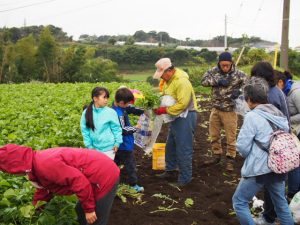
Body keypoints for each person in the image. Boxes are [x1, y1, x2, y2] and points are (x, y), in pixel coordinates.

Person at [0, 144, 120, 225]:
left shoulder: (44, 164)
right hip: (92, 174)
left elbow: (79, 182)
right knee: (80, 211)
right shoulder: (34, 165)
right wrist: (36, 210)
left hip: (104, 175)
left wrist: (89, 209)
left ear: (15, 166)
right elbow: (43, 190)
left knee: (95, 218)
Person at [232, 77, 294, 225]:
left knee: (239, 202)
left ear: (250, 99)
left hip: (260, 168)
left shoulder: (252, 116)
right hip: (279, 166)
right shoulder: (278, 113)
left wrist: (250, 156)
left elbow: (242, 146)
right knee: (281, 204)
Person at [250, 62, 291, 225]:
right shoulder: (275, 91)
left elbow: (269, 125)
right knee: (276, 188)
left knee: (274, 187)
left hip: (275, 146)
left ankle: (269, 218)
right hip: (282, 144)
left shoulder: (270, 96)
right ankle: (273, 216)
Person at [152, 58, 198, 187]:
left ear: (170, 71)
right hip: (175, 116)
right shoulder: (168, 80)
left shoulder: (182, 81)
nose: (162, 78)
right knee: (170, 145)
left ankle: (185, 179)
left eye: (162, 75)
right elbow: (167, 95)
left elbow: (183, 104)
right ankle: (170, 170)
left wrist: (164, 110)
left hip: (185, 116)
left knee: (184, 148)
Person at [201, 52, 247, 171]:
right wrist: (217, 81)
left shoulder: (239, 74)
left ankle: (230, 159)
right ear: (219, 63)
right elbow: (203, 81)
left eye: (227, 65)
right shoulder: (213, 71)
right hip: (216, 108)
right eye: (223, 65)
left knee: (230, 136)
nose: (225, 67)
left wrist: (240, 91)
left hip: (230, 110)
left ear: (231, 63)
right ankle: (216, 156)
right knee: (214, 134)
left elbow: (248, 85)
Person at [112, 87, 145, 192]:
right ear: (121, 102)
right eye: (127, 103)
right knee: (130, 165)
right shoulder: (118, 114)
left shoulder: (118, 107)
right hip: (124, 144)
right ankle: (133, 185)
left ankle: (110, 181)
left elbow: (130, 108)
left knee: (114, 163)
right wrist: (136, 128)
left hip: (118, 144)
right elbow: (122, 129)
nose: (128, 105)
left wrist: (145, 110)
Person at [274, 70, 300, 200]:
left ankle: (293, 192)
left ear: (280, 82)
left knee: (295, 161)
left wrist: (287, 118)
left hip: (298, 129)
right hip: (294, 128)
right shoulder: (284, 92)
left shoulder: (296, 93)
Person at [80, 87, 123, 160]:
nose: (106, 100)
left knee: (106, 169)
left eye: (107, 98)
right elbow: (85, 131)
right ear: (95, 98)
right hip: (93, 148)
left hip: (109, 148)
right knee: (96, 169)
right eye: (104, 97)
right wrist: (89, 146)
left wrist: (117, 143)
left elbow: (116, 129)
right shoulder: (86, 112)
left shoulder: (111, 112)